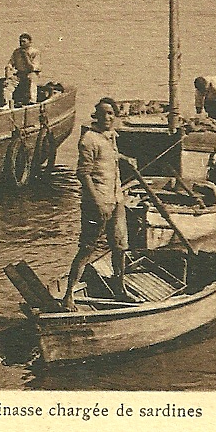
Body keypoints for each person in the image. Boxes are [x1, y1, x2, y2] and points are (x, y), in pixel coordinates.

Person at [61, 98, 139, 312]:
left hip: (116, 200)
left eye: (111, 113)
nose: (107, 117)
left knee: (120, 247)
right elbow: (83, 174)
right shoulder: (88, 140)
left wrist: (124, 158)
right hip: (97, 203)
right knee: (87, 249)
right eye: (103, 113)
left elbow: (108, 155)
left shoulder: (111, 136)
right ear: (96, 116)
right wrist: (98, 203)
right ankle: (69, 295)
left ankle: (120, 289)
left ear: (115, 116)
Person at [7, 33, 42, 106]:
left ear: (29, 42)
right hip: (20, 73)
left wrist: (25, 56)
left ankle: (32, 101)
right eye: (20, 41)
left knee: (31, 80)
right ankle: (7, 103)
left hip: (31, 73)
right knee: (8, 84)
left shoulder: (35, 52)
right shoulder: (17, 52)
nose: (21, 43)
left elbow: (32, 68)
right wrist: (9, 73)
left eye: (24, 41)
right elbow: (10, 63)